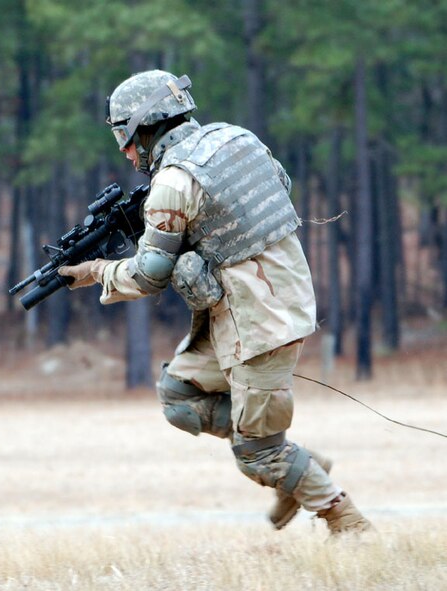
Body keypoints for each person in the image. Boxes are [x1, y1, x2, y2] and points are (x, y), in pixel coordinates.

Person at [59, 70, 373, 535]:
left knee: (257, 455)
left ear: (147, 129)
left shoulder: (172, 181)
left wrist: (95, 272)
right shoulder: (236, 139)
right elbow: (272, 193)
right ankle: (297, 463)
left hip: (262, 324)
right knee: (179, 396)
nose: (124, 151)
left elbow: (149, 275)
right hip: (251, 308)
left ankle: (347, 523)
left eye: (124, 135)